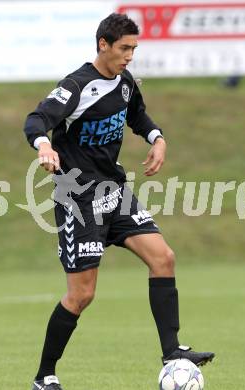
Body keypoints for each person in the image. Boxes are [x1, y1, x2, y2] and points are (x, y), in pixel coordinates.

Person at [24, 13, 214, 390]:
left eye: (134, 49)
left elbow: (138, 116)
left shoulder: (125, 83)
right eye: (125, 48)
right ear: (103, 45)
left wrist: (157, 138)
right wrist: (44, 145)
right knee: (82, 295)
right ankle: (45, 376)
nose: (130, 56)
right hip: (78, 197)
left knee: (164, 258)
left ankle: (172, 351)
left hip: (113, 191)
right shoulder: (76, 86)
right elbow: (36, 119)